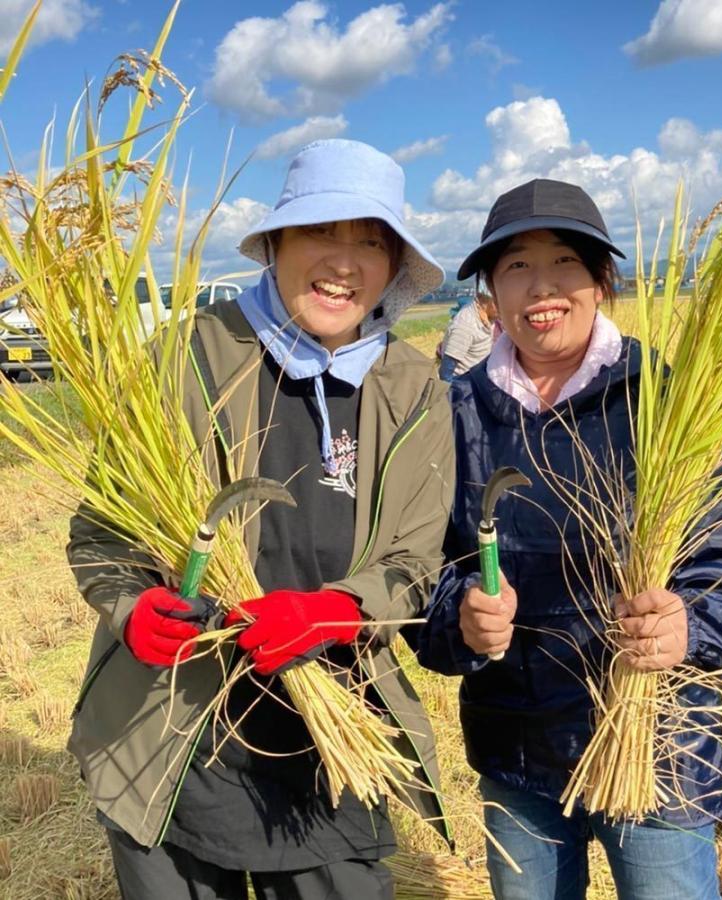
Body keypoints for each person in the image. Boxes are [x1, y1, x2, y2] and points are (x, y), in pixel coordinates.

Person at [67, 139, 455, 900]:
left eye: (370, 242)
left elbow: (415, 563)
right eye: (322, 232)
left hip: (334, 736)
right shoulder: (188, 356)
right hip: (175, 734)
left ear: (394, 266)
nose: (345, 262)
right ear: (276, 242)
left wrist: (337, 611)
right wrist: (132, 608)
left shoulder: (413, 387)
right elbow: (101, 531)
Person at [416, 178, 722, 900]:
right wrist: (461, 616)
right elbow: (415, 567)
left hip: (658, 741)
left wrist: (690, 623)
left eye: (564, 263)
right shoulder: (452, 416)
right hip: (516, 748)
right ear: (490, 291)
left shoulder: (670, 398)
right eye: (517, 267)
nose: (541, 288)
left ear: (601, 281)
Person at [437, 292, 497, 381]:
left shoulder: (487, 316)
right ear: (488, 301)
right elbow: (446, 373)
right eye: (499, 302)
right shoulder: (466, 325)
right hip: (464, 383)